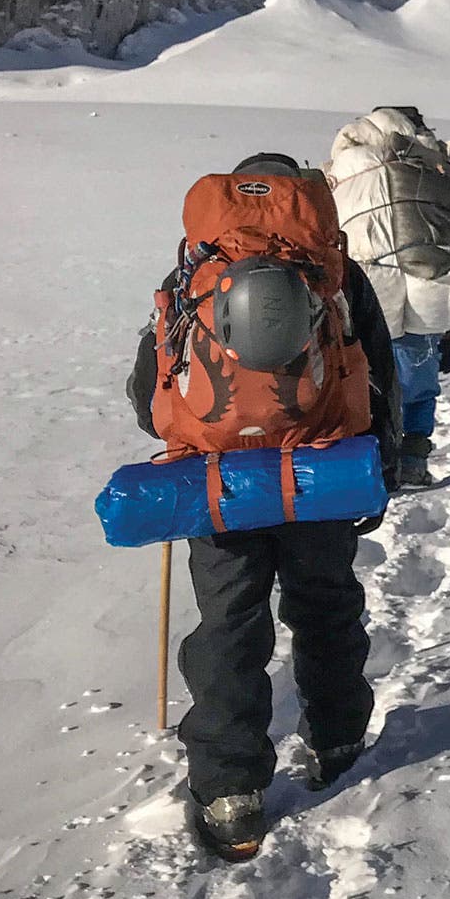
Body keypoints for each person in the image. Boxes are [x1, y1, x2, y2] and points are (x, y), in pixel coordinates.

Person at [125, 153, 399, 861]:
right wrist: (382, 466)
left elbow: (148, 388)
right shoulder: (332, 272)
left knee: (229, 625)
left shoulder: (193, 271)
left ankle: (229, 794)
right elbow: (377, 366)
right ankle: (338, 741)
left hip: (219, 481)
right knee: (325, 605)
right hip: (320, 475)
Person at [326, 107, 450, 491]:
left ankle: (374, 463)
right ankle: (412, 461)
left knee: (367, 381)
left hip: (365, 290)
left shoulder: (343, 168)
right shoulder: (428, 166)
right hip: (427, 284)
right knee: (418, 383)